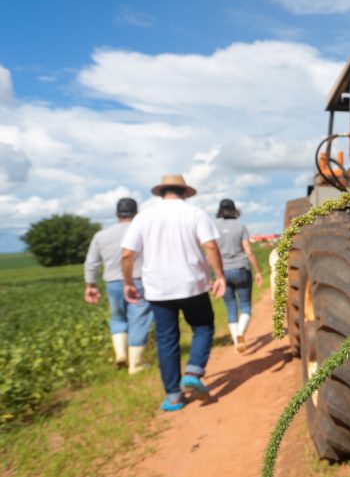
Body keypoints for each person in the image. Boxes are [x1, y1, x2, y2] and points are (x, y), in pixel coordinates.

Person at [121, 174, 227, 412]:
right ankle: (193, 372)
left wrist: (128, 282)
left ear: (161, 193)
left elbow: (127, 254)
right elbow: (210, 245)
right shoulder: (195, 214)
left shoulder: (144, 217)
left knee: (166, 339)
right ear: (185, 192)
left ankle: (173, 397)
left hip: (158, 289)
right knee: (203, 327)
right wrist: (219, 275)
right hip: (193, 285)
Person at [84, 197, 152, 374]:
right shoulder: (144, 231)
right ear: (137, 213)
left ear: (116, 214)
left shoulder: (101, 235)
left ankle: (121, 354)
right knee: (139, 320)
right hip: (138, 281)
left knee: (118, 318)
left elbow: (91, 263)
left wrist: (90, 285)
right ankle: (136, 365)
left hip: (112, 283)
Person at [215, 198, 263, 352]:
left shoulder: (214, 227)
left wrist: (214, 275)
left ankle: (237, 343)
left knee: (230, 307)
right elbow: (248, 251)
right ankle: (241, 332)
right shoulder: (240, 226)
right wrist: (258, 271)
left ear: (220, 210)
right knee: (245, 305)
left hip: (223, 272)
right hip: (241, 269)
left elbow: (211, 251)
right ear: (234, 210)